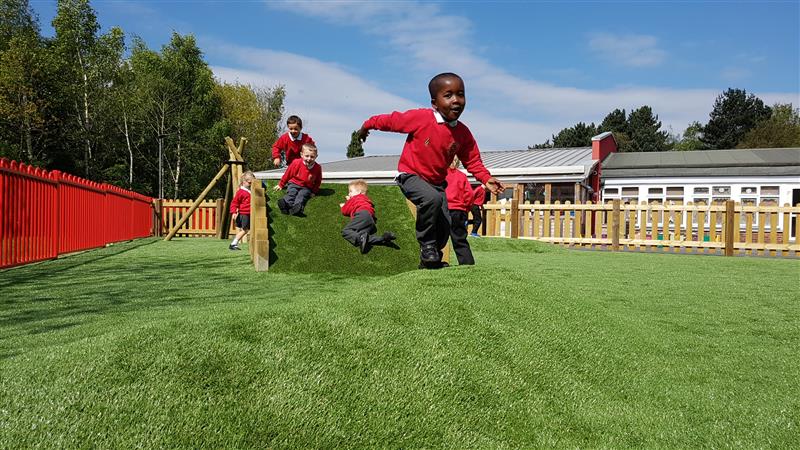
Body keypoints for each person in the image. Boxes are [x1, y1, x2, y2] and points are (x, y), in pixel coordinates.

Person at [357, 72, 505, 268]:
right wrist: (367, 126)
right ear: (434, 103)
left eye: (460, 94)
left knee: (445, 224)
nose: (456, 100)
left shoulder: (462, 132)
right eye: (448, 95)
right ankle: (426, 244)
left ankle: (428, 262)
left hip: (436, 183)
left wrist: (486, 179)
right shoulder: (421, 118)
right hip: (410, 175)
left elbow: (472, 160)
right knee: (431, 200)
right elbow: (391, 120)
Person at [340, 179, 396, 254]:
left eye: (350, 191)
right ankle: (383, 239)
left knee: (346, 231)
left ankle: (360, 239)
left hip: (362, 215)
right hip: (370, 220)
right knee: (364, 236)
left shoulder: (356, 198)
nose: (349, 193)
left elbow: (345, 211)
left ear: (359, 192)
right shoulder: (366, 200)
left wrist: (344, 204)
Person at [273, 144, 322, 216]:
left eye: (312, 157)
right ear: (301, 155)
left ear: (316, 157)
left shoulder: (317, 167)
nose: (309, 159)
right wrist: (281, 184)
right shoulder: (296, 162)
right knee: (292, 192)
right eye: (307, 156)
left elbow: (318, 181)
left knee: (302, 195)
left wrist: (314, 191)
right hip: (294, 183)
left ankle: (297, 209)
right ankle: (285, 205)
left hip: (306, 187)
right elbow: (288, 174)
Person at [445, 158, 475, 265]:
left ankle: (433, 261)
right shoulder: (462, 176)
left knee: (437, 238)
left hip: (444, 210)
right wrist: (466, 208)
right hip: (459, 211)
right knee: (460, 239)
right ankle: (467, 263)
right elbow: (470, 194)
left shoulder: (440, 175)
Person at [229, 171, 254, 250]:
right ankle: (233, 243)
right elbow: (234, 202)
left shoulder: (250, 190)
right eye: (250, 183)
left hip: (250, 213)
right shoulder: (241, 192)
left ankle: (234, 243)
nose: (251, 184)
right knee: (245, 230)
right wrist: (233, 212)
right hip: (244, 214)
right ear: (244, 182)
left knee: (247, 229)